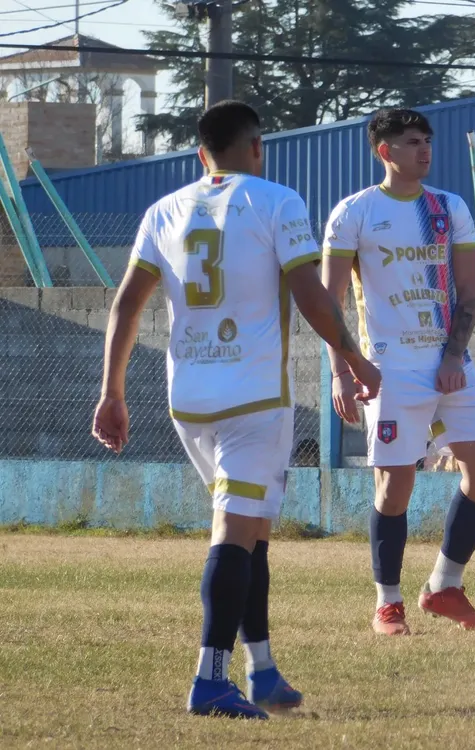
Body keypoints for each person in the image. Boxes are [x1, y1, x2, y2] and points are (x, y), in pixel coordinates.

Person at [92, 100, 380, 718]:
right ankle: (209, 679)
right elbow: (311, 296)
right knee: (234, 532)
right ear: (257, 147)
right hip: (253, 401)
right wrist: (353, 356)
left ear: (201, 154)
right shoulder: (276, 201)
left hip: (189, 401)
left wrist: (112, 391)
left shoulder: (163, 211)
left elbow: (125, 306)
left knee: (250, 534)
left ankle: (263, 670)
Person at [321, 108, 475, 636]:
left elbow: (469, 294)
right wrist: (343, 370)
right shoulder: (353, 213)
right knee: (395, 484)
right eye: (410, 142)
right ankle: (388, 603)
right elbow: (329, 303)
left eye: (427, 140)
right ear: (385, 152)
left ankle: (444, 586)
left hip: (449, 361)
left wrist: (453, 356)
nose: (424, 150)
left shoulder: (449, 207)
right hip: (388, 369)